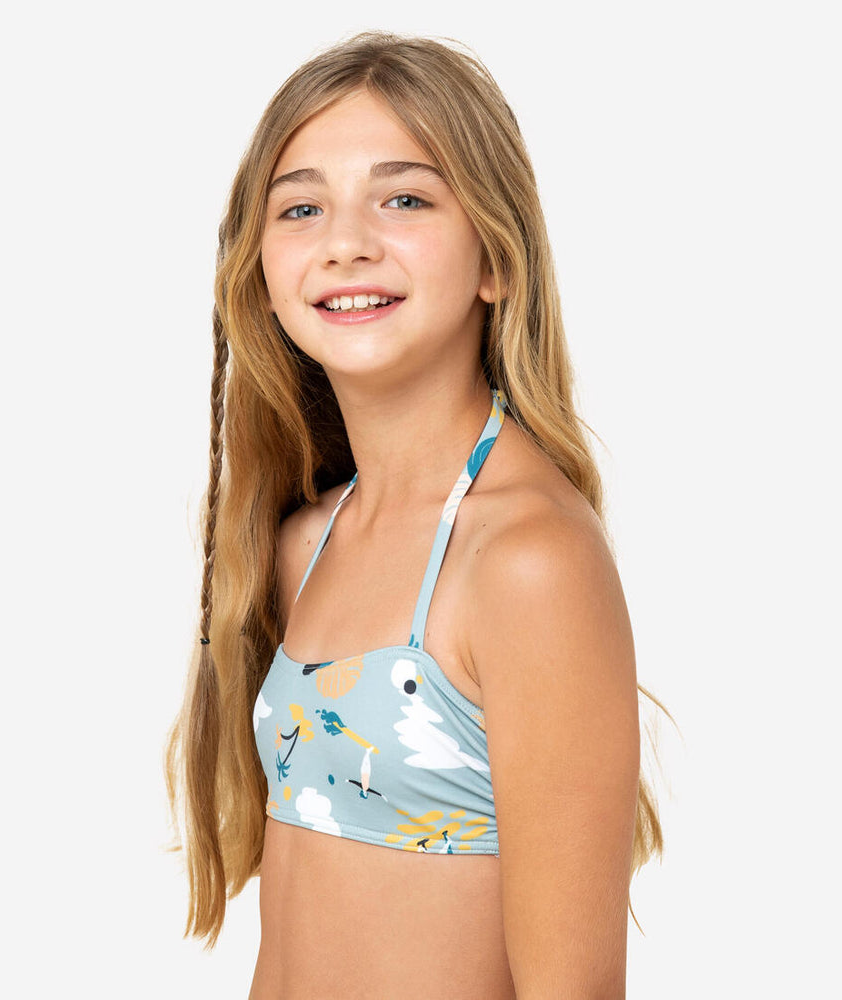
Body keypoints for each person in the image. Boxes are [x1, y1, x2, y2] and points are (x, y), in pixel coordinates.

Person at [165, 30, 668, 998]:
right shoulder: (304, 543)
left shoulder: (527, 561)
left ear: (496, 261)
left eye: (403, 199)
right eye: (301, 207)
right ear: (260, 268)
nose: (346, 241)